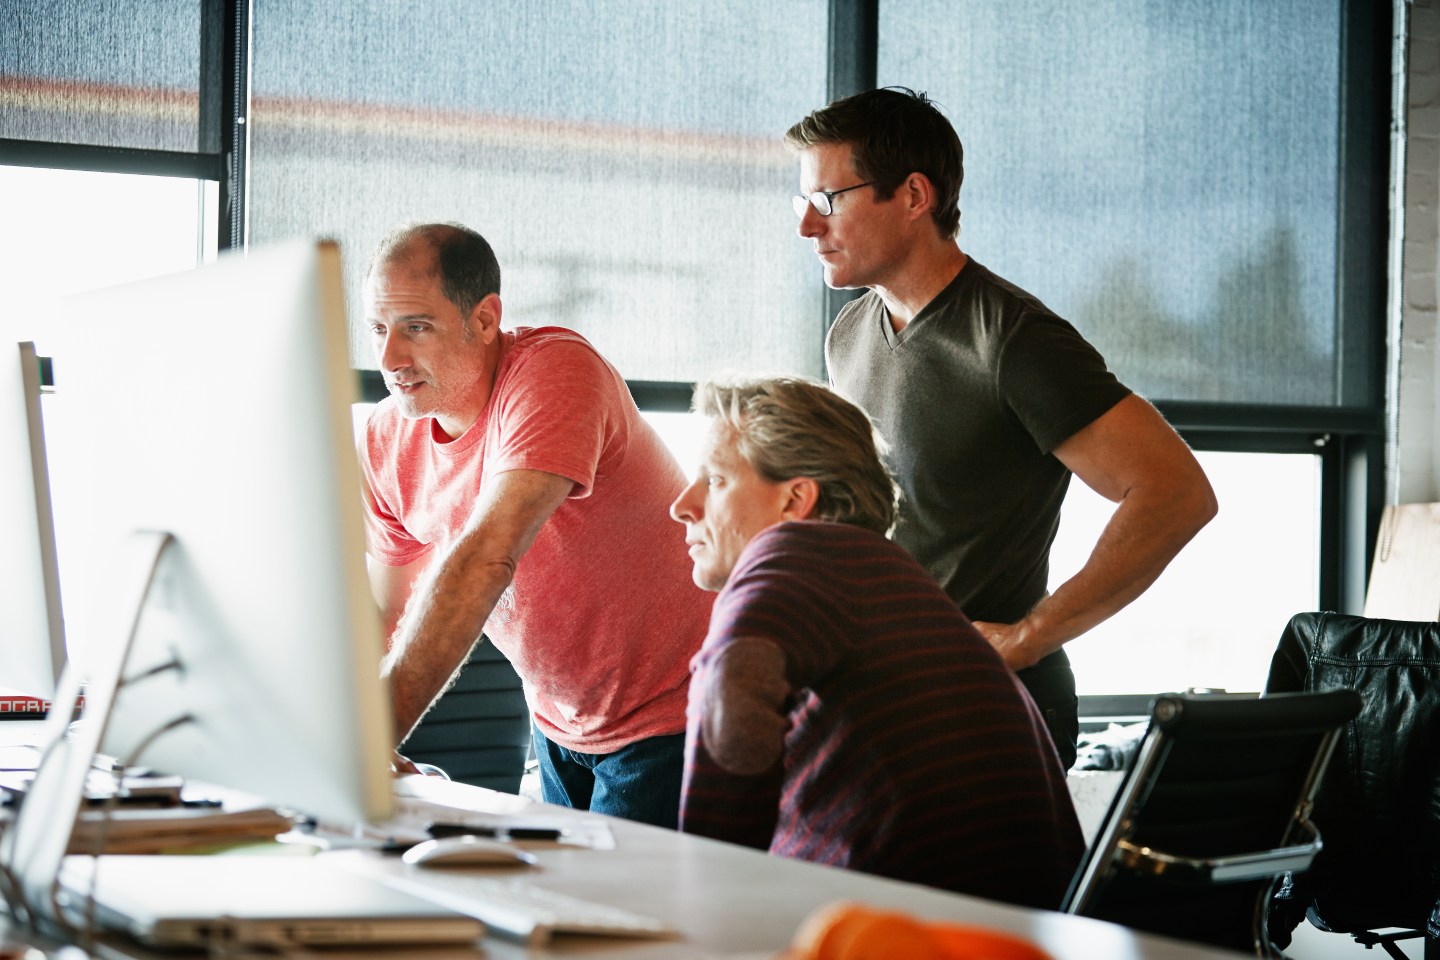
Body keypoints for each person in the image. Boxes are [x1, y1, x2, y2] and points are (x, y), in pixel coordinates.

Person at [785, 88, 1218, 769]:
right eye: (801, 202)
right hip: (878, 693)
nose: (808, 226)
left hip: (988, 702)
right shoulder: (849, 335)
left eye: (829, 199)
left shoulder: (1015, 338)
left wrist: (1029, 636)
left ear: (914, 195)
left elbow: (1176, 493)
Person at [671, 376, 1085, 909]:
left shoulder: (791, 556)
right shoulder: (885, 577)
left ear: (795, 500)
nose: (682, 504)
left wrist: (700, 900)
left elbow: (731, 683)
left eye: (716, 481)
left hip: (925, 934)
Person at [358, 222, 711, 827]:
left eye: (416, 327)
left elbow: (487, 557)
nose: (389, 359)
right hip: (556, 723)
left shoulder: (553, 372)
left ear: (486, 319)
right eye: (377, 330)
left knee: (620, 915)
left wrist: (359, 748)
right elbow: (385, 612)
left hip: (676, 712)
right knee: (558, 908)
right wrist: (346, 735)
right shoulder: (385, 439)